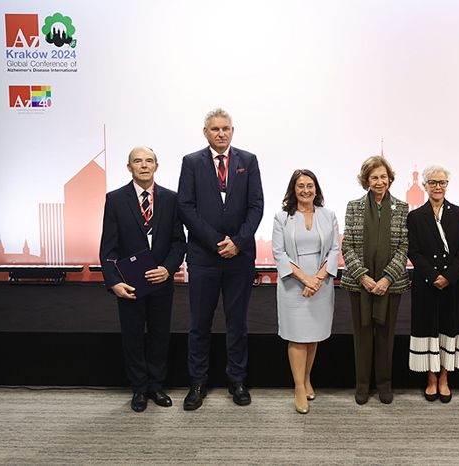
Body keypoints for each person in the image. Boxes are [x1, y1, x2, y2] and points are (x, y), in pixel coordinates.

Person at [177, 108, 264, 410]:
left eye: (226, 128)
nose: (221, 133)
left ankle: (237, 380)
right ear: (205, 132)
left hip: (239, 258)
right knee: (200, 323)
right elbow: (186, 207)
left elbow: (256, 206)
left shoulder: (248, 161)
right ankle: (197, 382)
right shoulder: (191, 162)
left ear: (232, 130)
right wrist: (216, 242)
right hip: (204, 257)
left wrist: (238, 243)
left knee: (237, 323)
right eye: (215, 129)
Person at [99, 147, 186, 412]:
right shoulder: (115, 199)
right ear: (129, 168)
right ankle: (138, 389)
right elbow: (108, 247)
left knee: (160, 335)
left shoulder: (171, 199)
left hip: (161, 281)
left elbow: (178, 242)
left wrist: (168, 269)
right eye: (138, 161)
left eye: (149, 161)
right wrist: (114, 282)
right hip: (130, 283)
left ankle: (156, 386)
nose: (144, 165)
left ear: (156, 166)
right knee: (133, 336)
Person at [341, 155, 410, 405]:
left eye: (383, 177)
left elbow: (404, 246)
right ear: (366, 181)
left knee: (386, 335)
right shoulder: (354, 206)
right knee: (362, 335)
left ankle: (384, 384)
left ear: (389, 178)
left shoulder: (402, 208)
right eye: (374, 177)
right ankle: (362, 385)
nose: (379, 182)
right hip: (360, 285)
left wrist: (387, 278)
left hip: (391, 286)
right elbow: (346, 246)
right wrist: (364, 277)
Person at [272, 169, 340, 414]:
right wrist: (305, 279)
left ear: (316, 189)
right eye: (300, 186)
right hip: (293, 284)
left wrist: (318, 279)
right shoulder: (282, 217)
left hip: (321, 284)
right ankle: (299, 387)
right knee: (297, 337)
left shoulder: (328, 215)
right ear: (293, 189)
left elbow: (334, 250)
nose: (306, 190)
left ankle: (307, 378)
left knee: (313, 337)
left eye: (310, 185)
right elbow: (279, 253)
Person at [407, 165, 459, 404]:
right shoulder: (415, 216)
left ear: (447, 185)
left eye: (441, 182)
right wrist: (433, 275)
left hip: (452, 284)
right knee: (429, 328)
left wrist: (449, 276)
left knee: (448, 328)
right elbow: (413, 250)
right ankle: (431, 378)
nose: (437, 186)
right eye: (432, 182)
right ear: (424, 186)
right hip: (426, 283)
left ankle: (444, 378)